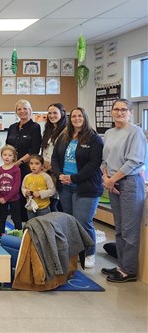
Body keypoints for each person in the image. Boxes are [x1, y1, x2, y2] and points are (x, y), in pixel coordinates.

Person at [51, 107, 103, 269]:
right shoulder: (64, 137)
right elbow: (55, 158)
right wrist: (59, 174)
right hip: (65, 186)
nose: (76, 118)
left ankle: (89, 253)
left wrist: (73, 178)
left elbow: (93, 164)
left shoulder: (94, 139)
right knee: (69, 221)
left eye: (80, 115)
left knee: (83, 221)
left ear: (85, 117)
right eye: (73, 116)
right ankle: (73, 252)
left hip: (86, 187)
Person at [101, 98, 146, 283]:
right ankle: (121, 265)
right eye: (116, 109)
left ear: (130, 113)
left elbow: (134, 161)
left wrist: (112, 179)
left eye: (123, 110)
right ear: (111, 112)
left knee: (129, 230)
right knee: (118, 228)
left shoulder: (135, 132)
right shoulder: (110, 133)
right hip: (112, 182)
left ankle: (128, 270)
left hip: (128, 183)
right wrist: (106, 178)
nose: (119, 112)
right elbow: (105, 160)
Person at [6, 99, 42, 222]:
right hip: (11, 167)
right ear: (16, 112)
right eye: (19, 109)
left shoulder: (35, 127)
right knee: (14, 193)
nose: (22, 111)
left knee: (25, 193)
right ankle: (16, 222)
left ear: (30, 110)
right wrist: (9, 162)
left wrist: (18, 162)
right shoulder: (12, 127)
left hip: (26, 167)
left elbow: (34, 150)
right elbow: (7, 147)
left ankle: (28, 222)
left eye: (25, 108)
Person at [41, 103, 67, 212]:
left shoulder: (66, 131)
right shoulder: (48, 129)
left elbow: (63, 152)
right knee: (49, 201)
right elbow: (45, 150)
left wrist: (53, 167)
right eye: (50, 113)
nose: (52, 116)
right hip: (46, 169)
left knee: (57, 203)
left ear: (62, 113)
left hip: (57, 170)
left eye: (55, 113)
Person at [0, 145, 22, 238]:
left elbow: (16, 186)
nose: (7, 157)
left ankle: (19, 235)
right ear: (1, 155)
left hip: (14, 199)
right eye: (5, 154)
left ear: (14, 157)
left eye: (10, 155)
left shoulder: (16, 170)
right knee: (2, 218)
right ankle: (0, 235)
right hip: (1, 199)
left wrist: (6, 198)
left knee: (16, 218)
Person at [21, 155, 56, 220]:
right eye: (31, 163)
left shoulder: (46, 177)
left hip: (43, 207)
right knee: (32, 225)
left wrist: (41, 193)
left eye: (37, 164)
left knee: (44, 226)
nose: (33, 166)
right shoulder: (27, 177)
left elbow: (52, 190)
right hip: (30, 207)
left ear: (42, 165)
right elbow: (23, 188)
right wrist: (26, 192)